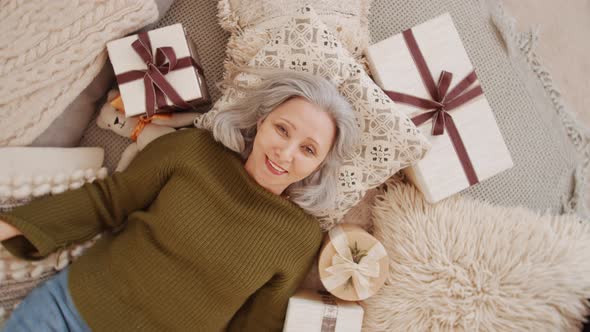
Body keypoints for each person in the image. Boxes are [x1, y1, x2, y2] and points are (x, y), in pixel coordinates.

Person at [0, 69, 360, 331]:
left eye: (308, 149)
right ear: (261, 121)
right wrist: (12, 225)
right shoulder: (193, 151)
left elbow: (254, 326)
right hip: (67, 314)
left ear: (319, 165)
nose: (285, 152)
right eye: (283, 129)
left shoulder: (300, 236)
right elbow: (107, 202)